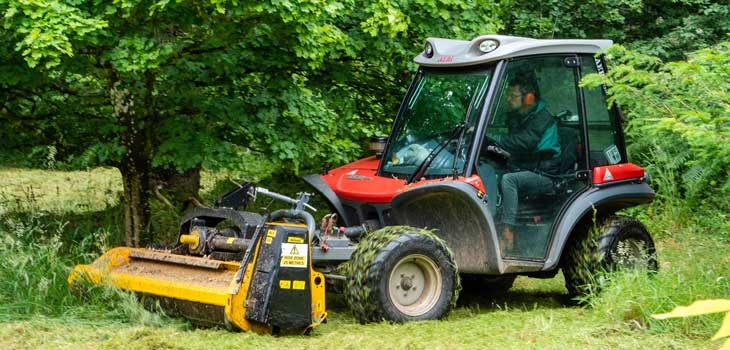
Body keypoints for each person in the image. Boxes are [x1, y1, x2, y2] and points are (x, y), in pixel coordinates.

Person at [489, 72, 561, 252]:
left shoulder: (542, 119)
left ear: (529, 98)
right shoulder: (520, 116)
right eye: (508, 94)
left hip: (545, 174)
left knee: (509, 180)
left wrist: (492, 137)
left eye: (513, 96)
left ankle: (507, 231)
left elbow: (523, 142)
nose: (508, 99)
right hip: (527, 167)